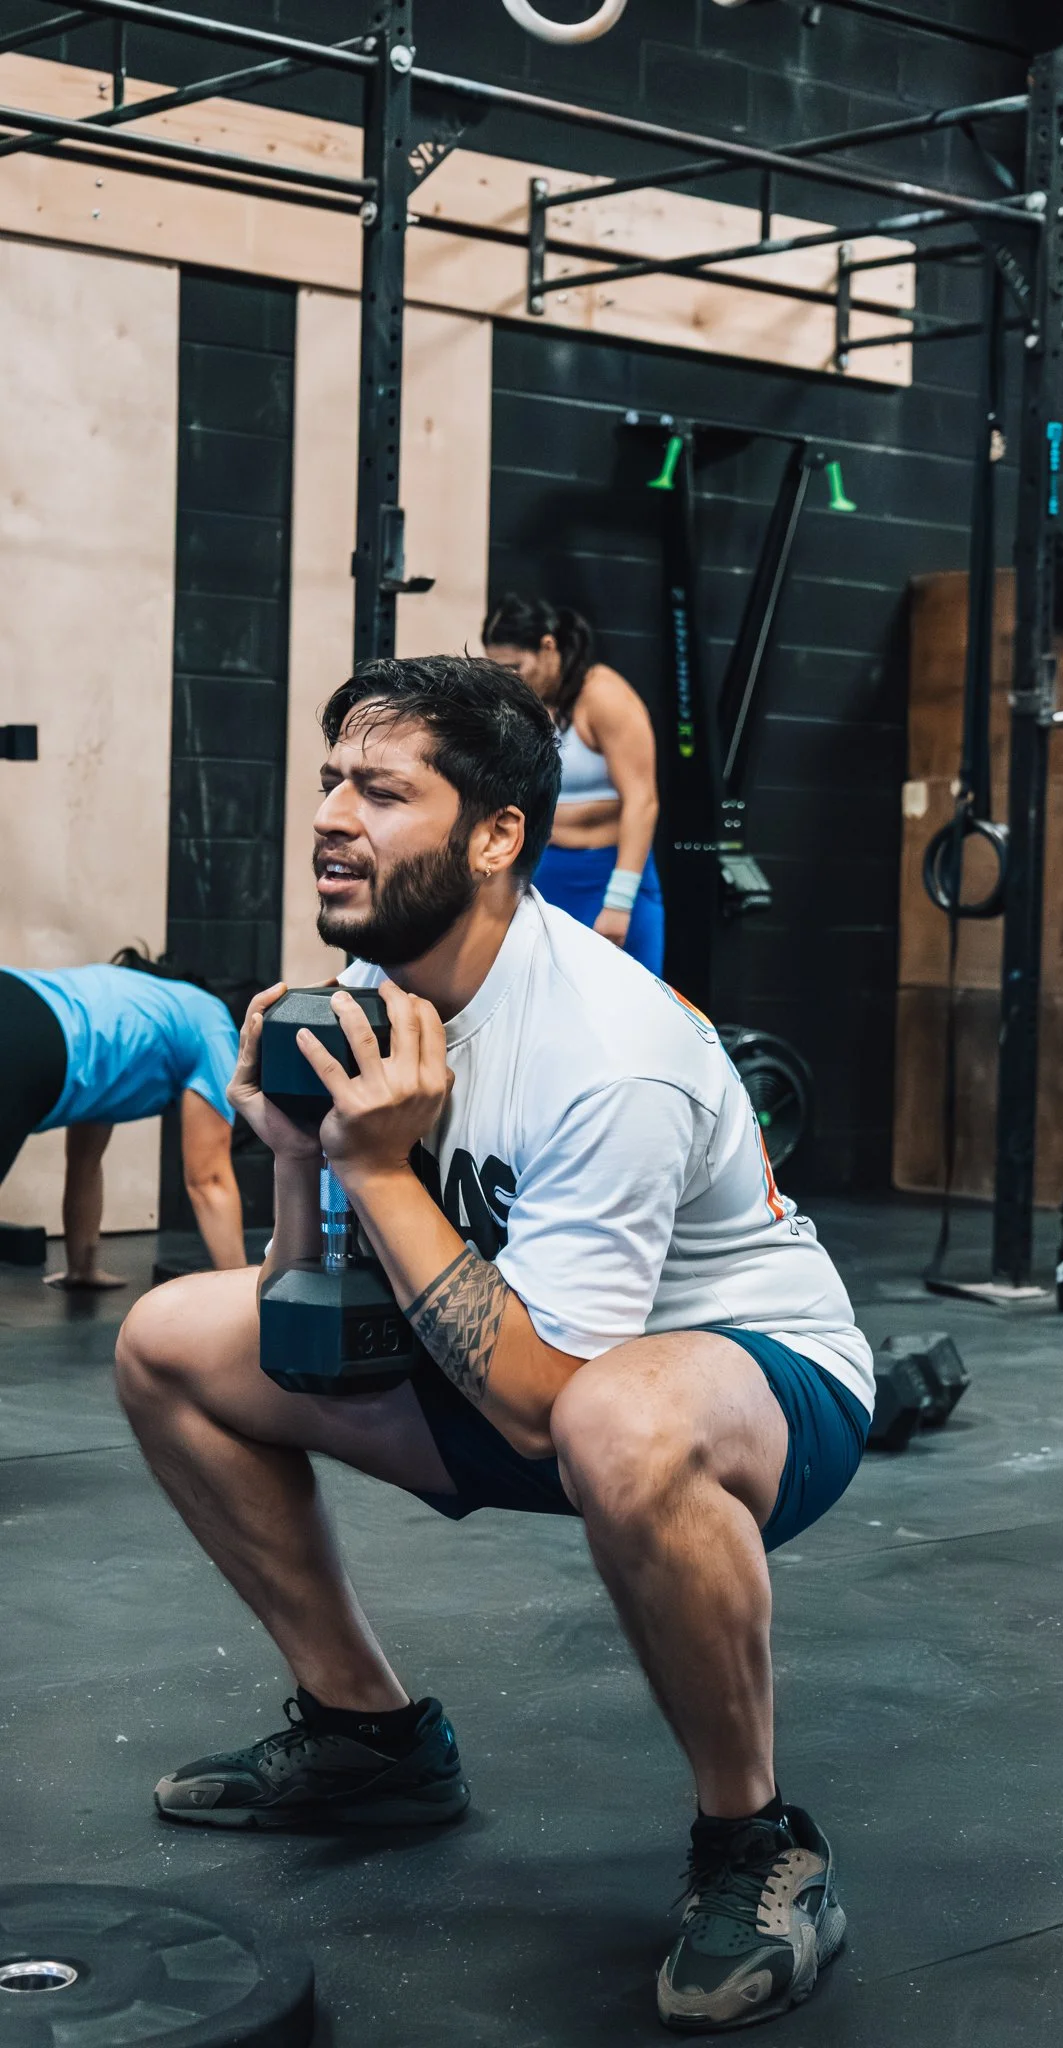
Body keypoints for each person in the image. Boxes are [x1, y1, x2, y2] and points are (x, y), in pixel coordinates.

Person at [114, 654, 873, 2034]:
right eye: (332, 779)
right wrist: (299, 1162)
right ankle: (369, 1742)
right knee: (169, 1336)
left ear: (495, 834)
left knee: (615, 1424)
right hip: (519, 1360)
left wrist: (381, 1170)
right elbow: (308, 1315)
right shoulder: (370, 987)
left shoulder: (611, 1045)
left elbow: (544, 1408)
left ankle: (756, 1841)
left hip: (742, 1387)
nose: (334, 814)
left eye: (383, 790)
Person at [0, 949, 247, 1286]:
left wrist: (81, 1270)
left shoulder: (129, 1006)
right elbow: (209, 1179)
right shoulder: (214, 1022)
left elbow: (85, 1163)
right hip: (25, 1036)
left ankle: (82, 1268)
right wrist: (246, 1301)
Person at [483, 593, 666, 975]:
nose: (510, 679)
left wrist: (619, 901)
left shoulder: (603, 696)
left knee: (620, 1014)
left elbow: (642, 801)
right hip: (543, 875)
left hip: (607, 877)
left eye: (516, 667)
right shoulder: (524, 703)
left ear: (548, 647)